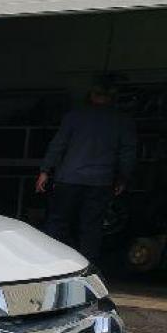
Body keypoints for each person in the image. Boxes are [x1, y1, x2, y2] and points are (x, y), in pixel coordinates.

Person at [36, 85, 136, 262]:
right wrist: (123, 177)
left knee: (58, 222)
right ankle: (85, 268)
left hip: (69, 178)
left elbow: (58, 144)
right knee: (91, 227)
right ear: (112, 98)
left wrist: (45, 171)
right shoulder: (122, 120)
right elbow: (127, 152)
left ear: (91, 96)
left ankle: (49, 262)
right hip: (100, 181)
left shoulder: (74, 116)